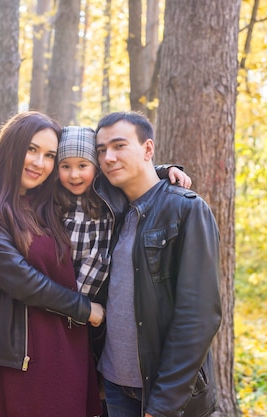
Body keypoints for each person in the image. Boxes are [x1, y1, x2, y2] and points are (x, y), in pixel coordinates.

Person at [0, 111, 104, 417]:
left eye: (49, 155)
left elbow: (102, 177)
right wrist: (85, 309)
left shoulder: (48, 204)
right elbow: (19, 278)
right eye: (31, 149)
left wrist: (162, 172)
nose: (39, 163)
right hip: (21, 351)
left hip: (70, 342)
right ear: (11, 146)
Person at [53, 126, 192, 417]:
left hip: (94, 322)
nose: (74, 175)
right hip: (65, 317)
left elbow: (135, 174)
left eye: (83, 165)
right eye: (65, 166)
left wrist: (165, 170)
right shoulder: (51, 203)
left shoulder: (111, 199)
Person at [93, 112, 222, 417]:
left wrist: (163, 405)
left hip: (165, 396)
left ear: (148, 149)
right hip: (113, 384)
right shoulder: (110, 209)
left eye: (119, 146)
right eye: (101, 150)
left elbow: (198, 316)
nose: (108, 157)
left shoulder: (186, 209)